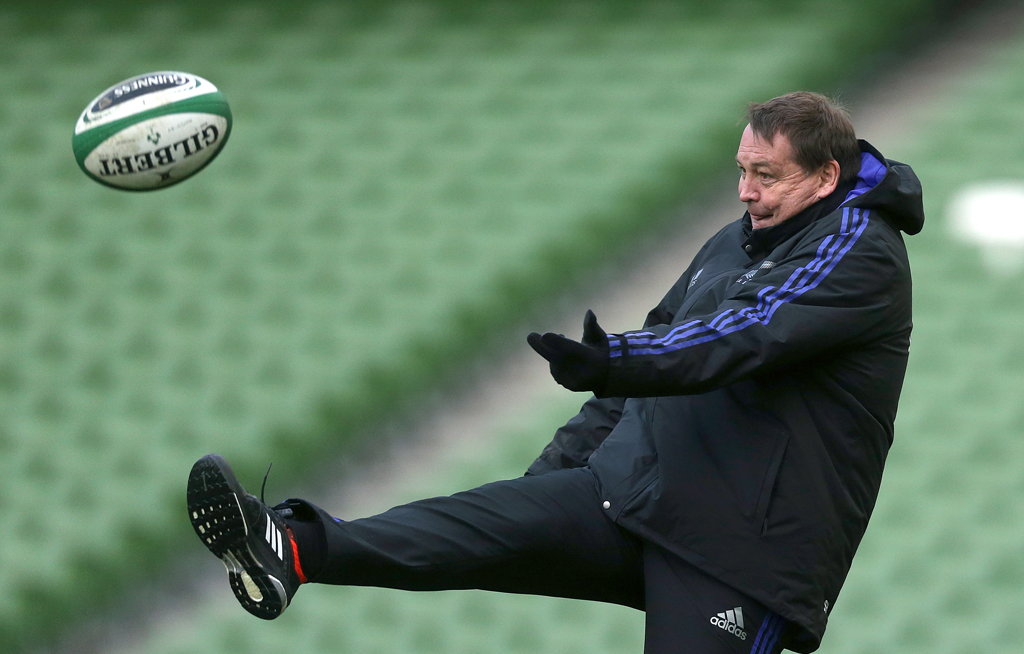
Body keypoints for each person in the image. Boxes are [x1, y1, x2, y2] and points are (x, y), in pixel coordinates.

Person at [187, 91, 923, 653]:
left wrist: (618, 359)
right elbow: (645, 368)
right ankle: (292, 548)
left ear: (826, 176)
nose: (745, 191)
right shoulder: (736, 241)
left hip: (736, 552)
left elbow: (741, 334)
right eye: (741, 170)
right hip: (633, 493)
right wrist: (549, 482)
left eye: (766, 175)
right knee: (477, 525)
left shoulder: (860, 249)